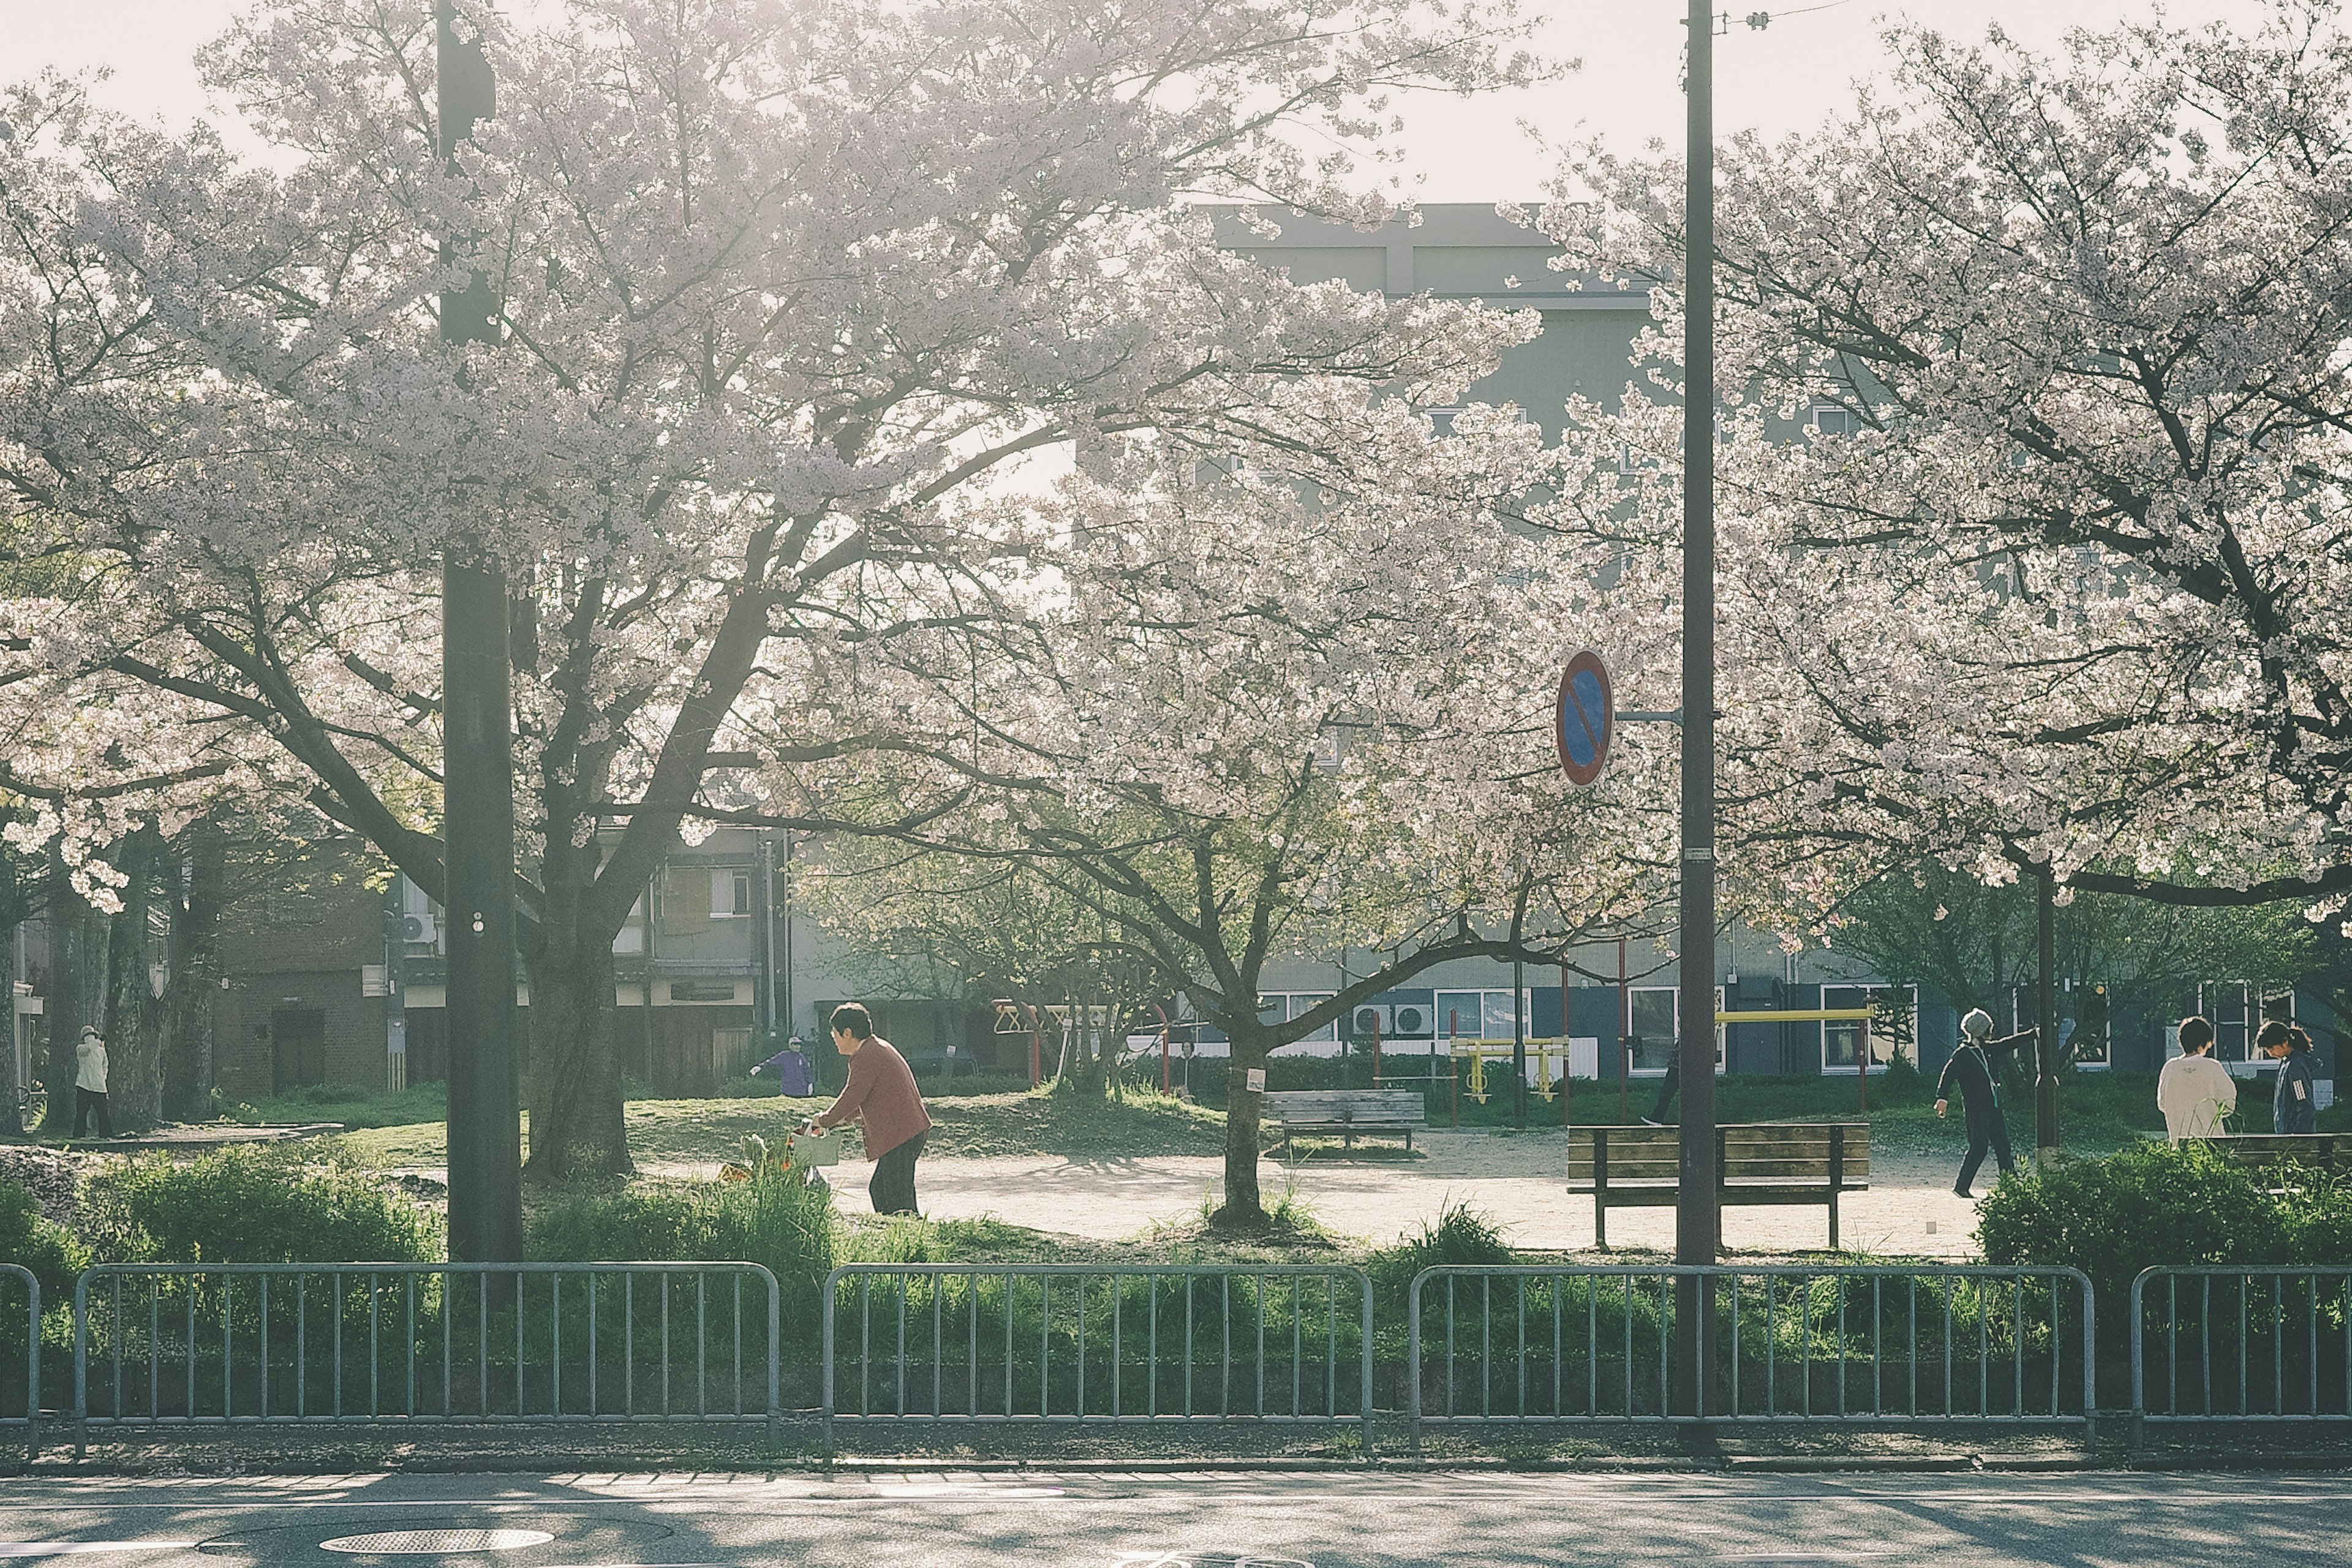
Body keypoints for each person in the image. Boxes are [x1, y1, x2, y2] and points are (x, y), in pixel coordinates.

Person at [805, 1003, 932, 1215]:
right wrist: (840, 1120)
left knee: (897, 1197)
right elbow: (864, 1097)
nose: (833, 1038)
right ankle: (895, 1235)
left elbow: (852, 1095)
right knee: (881, 1191)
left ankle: (909, 1238)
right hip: (906, 1131)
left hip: (901, 1133)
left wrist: (825, 1120)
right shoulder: (876, 1048)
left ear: (847, 1033)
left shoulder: (866, 1055)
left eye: (834, 1033)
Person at [1935, 1008, 2014, 1198]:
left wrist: (2032, 1035)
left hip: (1994, 1107)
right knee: (1979, 1148)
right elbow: (1948, 1075)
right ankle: (1961, 1187)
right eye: (1989, 1028)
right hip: (1976, 1110)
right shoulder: (1963, 1054)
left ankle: (2011, 1186)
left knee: (2003, 1147)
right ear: (1982, 1031)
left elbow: (2007, 1044)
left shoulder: (1987, 1050)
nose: (1991, 1032)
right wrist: (1942, 1098)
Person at [2157, 1016, 2237, 1142]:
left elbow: (2162, 1104)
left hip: (2179, 1141)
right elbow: (2229, 1103)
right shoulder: (2213, 1067)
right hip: (2212, 1140)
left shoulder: (2170, 1068)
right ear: (2203, 1042)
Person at [2258, 1020, 2321, 1136]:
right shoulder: (2287, 1063)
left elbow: (2304, 1102)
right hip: (2287, 1134)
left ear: (2285, 1042)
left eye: (2271, 1048)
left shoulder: (2295, 1067)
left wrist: (2298, 1135)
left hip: (2295, 1138)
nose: (2270, 1054)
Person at [72, 1025, 112, 1140]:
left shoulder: (101, 1051)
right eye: (87, 1036)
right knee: (82, 1112)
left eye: (92, 1036)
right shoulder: (81, 1049)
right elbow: (90, 1048)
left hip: (99, 1086)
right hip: (84, 1084)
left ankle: (105, 1134)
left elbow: (105, 1065)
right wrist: (99, 1040)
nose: (89, 1038)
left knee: (103, 1112)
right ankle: (79, 1134)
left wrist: (102, 1078)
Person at [749, 1036, 815, 1096]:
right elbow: (771, 1062)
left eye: (799, 1044)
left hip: (802, 1091)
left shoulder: (802, 1057)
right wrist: (760, 1067)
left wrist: (810, 1084)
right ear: (790, 1045)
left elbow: (807, 1072)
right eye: (795, 1044)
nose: (798, 1046)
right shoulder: (784, 1056)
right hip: (788, 1091)